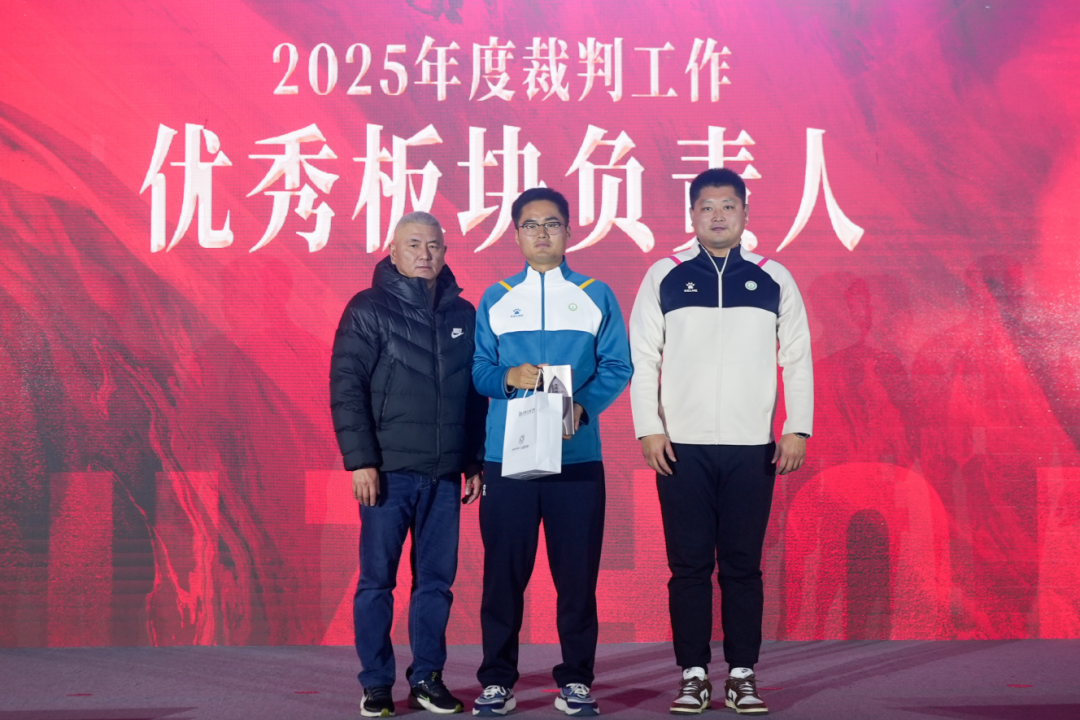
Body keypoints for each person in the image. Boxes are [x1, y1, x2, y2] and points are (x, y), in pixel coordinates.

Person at [629, 168, 813, 715]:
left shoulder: (772, 276)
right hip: (679, 448)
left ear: (745, 214)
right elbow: (644, 358)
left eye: (728, 206)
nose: (717, 216)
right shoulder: (665, 274)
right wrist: (649, 427)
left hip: (751, 446)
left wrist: (797, 426)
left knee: (742, 565)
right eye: (706, 207)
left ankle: (741, 674)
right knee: (688, 566)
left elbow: (796, 355)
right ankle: (692, 674)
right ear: (691, 214)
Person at [470, 188, 632, 717]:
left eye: (553, 223)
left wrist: (581, 407)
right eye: (531, 225)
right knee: (503, 577)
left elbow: (618, 366)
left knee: (577, 578)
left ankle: (577, 680)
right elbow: (478, 371)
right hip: (508, 458)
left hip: (576, 458)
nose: (542, 233)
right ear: (516, 234)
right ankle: (497, 680)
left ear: (568, 232)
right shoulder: (496, 297)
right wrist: (508, 377)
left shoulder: (595, 294)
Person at [330, 211, 487, 718]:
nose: (425, 253)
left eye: (434, 245)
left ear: (445, 253)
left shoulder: (464, 313)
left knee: (436, 584)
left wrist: (473, 461)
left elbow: (474, 396)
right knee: (377, 581)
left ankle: (427, 678)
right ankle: (377, 684)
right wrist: (361, 462)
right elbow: (347, 387)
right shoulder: (368, 308)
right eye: (414, 244)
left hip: (444, 476)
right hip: (387, 473)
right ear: (393, 251)